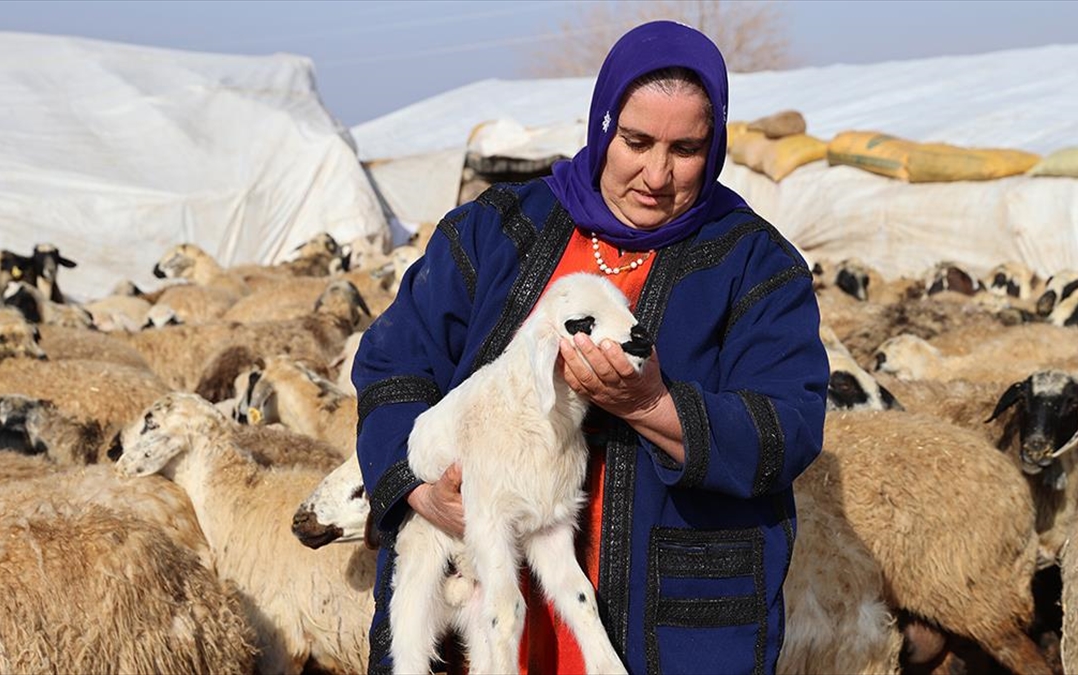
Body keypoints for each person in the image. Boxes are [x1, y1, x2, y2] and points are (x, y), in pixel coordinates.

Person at [354, 20, 829, 675]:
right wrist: (417, 487)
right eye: (636, 141)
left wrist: (652, 403)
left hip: (668, 621)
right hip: (484, 601)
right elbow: (392, 366)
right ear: (603, 125)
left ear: (715, 145)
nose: (656, 174)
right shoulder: (497, 229)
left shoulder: (755, 265)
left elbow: (786, 428)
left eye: (686, 148)